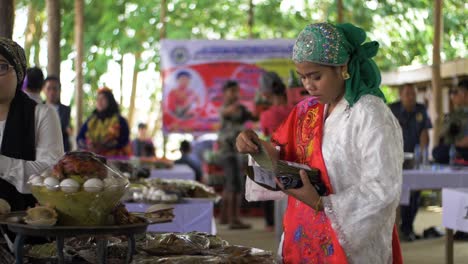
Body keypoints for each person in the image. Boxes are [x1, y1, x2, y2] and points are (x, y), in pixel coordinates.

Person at [237, 23, 403, 263]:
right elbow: (283, 156)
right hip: (303, 230)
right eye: (303, 77)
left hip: (350, 245)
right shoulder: (307, 110)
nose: (308, 86)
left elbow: (382, 189)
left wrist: (320, 202)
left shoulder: (370, 113)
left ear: (342, 68)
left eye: (316, 76)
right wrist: (255, 145)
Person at [0, 37, 64, 211]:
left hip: (27, 226)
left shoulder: (42, 114)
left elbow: (51, 174)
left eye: (1, 67)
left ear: (19, 72)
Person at [389, 84, 432, 242]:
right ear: (401, 95)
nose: (411, 97)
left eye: (413, 94)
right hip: (394, 158)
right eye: (407, 94)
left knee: (414, 194)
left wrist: (422, 155)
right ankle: (396, 229)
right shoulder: (392, 109)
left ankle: (408, 228)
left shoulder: (421, 109)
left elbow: (424, 133)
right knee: (396, 195)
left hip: (413, 159)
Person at [218, 80, 257, 229]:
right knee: (233, 185)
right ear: (225, 93)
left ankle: (224, 217)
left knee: (230, 185)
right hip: (227, 151)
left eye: (236, 91)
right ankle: (234, 220)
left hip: (234, 151)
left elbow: (254, 117)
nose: (235, 94)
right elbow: (227, 112)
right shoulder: (227, 108)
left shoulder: (240, 108)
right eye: (232, 91)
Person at [258, 71, 293, 231]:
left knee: (281, 213)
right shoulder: (296, 110)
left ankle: (271, 225)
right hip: (299, 164)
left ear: (265, 93)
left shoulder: (267, 115)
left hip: (277, 163)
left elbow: (266, 138)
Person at [77, 87, 131, 157]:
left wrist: (104, 146)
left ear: (110, 101)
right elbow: (79, 138)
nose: (99, 101)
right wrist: (87, 145)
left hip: (114, 161)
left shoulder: (120, 120)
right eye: (98, 99)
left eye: (103, 99)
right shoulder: (91, 120)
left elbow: (124, 141)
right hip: (92, 159)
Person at [433, 79, 468, 163]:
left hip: (462, 149)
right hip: (454, 148)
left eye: (456, 93)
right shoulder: (455, 114)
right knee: (437, 152)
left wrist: (457, 144)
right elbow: (443, 137)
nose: (453, 96)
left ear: (465, 94)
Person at [43, 76, 72, 152]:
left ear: (59, 90)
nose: (52, 92)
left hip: (61, 150)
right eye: (49, 88)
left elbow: (62, 127)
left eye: (55, 89)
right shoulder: (37, 107)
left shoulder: (66, 109)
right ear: (43, 89)